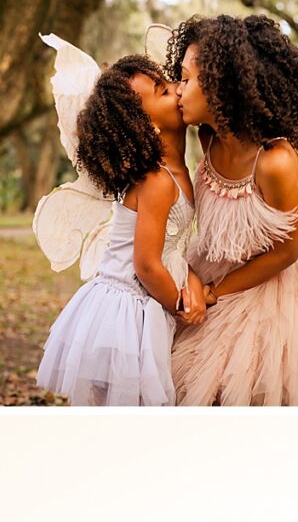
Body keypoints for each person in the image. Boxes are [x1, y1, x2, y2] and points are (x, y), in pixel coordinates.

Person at [166, 12, 298, 406]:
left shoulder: (275, 162)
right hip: (211, 270)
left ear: (223, 86)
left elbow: (285, 252)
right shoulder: (206, 137)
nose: (177, 89)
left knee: (248, 390)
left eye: (186, 79)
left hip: (266, 291)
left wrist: (216, 294)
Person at [33, 38, 203, 406]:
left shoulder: (177, 171)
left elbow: (172, 245)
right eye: (162, 91)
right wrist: (182, 306)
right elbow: (145, 265)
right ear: (147, 127)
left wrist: (191, 278)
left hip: (141, 301)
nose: (177, 89)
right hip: (126, 308)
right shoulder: (157, 181)